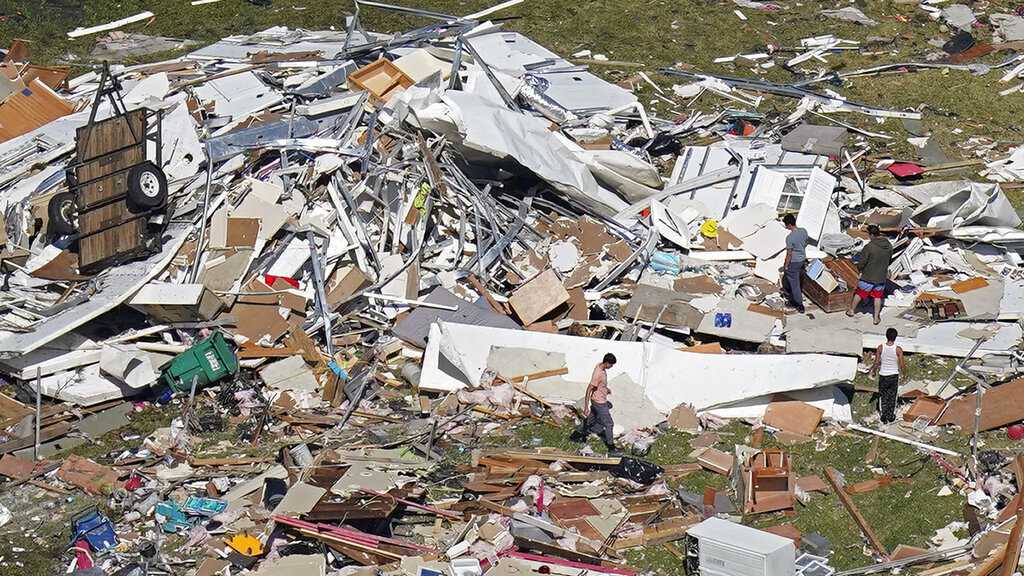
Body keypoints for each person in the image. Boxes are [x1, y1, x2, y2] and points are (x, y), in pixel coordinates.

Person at [847, 224, 894, 325]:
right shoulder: (889, 246)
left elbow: (862, 262)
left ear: (872, 234)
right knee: (877, 297)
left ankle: (851, 310)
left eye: (868, 234)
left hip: (868, 276)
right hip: (881, 277)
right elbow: (890, 260)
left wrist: (859, 268)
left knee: (859, 293)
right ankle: (876, 318)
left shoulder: (869, 247)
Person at [570, 353, 618, 452]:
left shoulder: (600, 366)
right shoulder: (598, 373)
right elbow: (589, 389)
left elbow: (599, 385)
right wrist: (586, 406)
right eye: (611, 365)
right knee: (609, 424)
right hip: (599, 402)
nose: (612, 367)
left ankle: (575, 436)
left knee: (590, 421)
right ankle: (611, 447)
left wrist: (605, 389)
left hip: (596, 400)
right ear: (607, 363)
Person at [872, 328, 905, 425]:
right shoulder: (898, 349)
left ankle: (883, 416)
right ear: (895, 337)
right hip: (894, 375)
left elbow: (877, 362)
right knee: (892, 395)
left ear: (886, 336)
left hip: (883, 375)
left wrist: (873, 370)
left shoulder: (880, 348)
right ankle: (891, 416)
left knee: (883, 395)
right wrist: (904, 374)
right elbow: (902, 364)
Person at [781, 214, 808, 313]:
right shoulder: (803, 231)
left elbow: (789, 254)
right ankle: (793, 297)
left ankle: (799, 304)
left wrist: (786, 265)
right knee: (797, 281)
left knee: (794, 283)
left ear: (788, 225)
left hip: (794, 262)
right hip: (802, 259)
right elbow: (805, 243)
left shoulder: (790, 237)